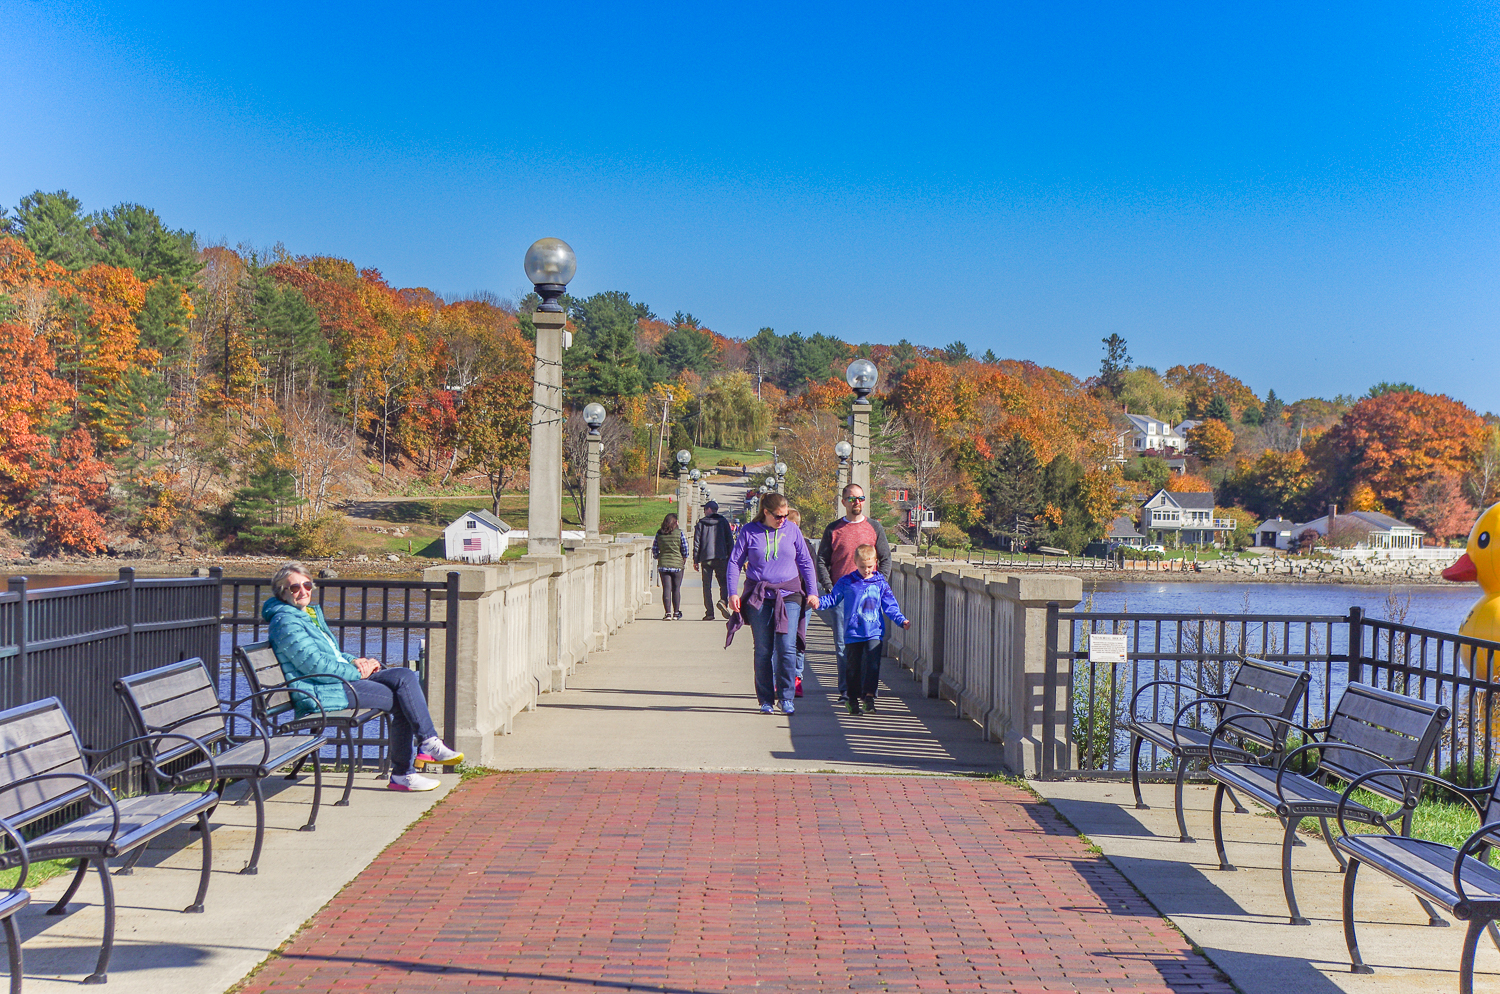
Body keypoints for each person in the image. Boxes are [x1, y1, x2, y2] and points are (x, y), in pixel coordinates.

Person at [263, 561, 462, 792]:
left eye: (306, 585)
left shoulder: (304, 615)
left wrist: (354, 661)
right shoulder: (286, 622)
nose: (303, 591)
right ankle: (404, 772)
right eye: (295, 588)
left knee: (405, 676)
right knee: (401, 699)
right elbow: (315, 666)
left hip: (337, 682)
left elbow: (332, 655)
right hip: (320, 691)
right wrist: (358, 671)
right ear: (282, 592)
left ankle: (428, 744)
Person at [726, 492, 818, 715]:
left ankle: (786, 697)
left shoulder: (792, 530)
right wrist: (732, 593)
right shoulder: (749, 531)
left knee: (787, 647)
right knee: (763, 650)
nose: (782, 520)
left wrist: (813, 592)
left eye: (785, 515)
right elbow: (734, 562)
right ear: (765, 512)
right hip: (760, 596)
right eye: (778, 516)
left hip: (790, 594)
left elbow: (805, 561)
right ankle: (765, 699)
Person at [816, 483, 892, 702]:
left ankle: (867, 692)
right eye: (851, 499)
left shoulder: (875, 527)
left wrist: (879, 584)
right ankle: (847, 691)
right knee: (843, 646)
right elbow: (822, 559)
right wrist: (830, 587)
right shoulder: (833, 529)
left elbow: (885, 558)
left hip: (868, 598)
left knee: (870, 645)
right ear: (843, 502)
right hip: (842, 596)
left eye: (860, 498)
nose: (856, 502)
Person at [817, 544, 910, 715]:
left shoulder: (880, 582)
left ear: (875, 563)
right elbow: (832, 599)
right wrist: (818, 602)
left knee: (873, 665)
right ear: (855, 563)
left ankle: (869, 697)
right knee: (853, 667)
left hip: (874, 631)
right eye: (862, 567)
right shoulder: (847, 581)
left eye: (869, 566)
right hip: (853, 632)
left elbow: (890, 605)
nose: (866, 570)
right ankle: (852, 699)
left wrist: (901, 620)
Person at [692, 500, 734, 620]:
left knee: (706, 586)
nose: (704, 511)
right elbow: (730, 541)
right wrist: (731, 557)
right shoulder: (723, 522)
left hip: (706, 559)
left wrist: (696, 559)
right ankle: (723, 601)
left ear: (709, 510)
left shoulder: (701, 523)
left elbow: (697, 543)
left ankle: (709, 613)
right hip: (721, 557)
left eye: (705, 509)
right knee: (723, 583)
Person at [785, 507, 809, 697]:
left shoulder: (806, 545)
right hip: (787, 598)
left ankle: (797, 677)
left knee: (798, 639)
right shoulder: (781, 543)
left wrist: (811, 595)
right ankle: (786, 678)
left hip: (804, 600)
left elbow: (811, 571)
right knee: (787, 640)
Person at [653, 512, 688, 620]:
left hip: (663, 565)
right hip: (677, 565)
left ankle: (667, 613)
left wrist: (659, 556)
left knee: (666, 589)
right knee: (676, 589)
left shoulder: (659, 533)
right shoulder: (679, 533)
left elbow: (654, 549)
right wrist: (683, 559)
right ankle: (676, 613)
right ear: (675, 522)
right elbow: (685, 549)